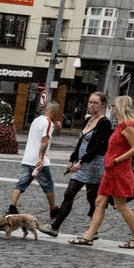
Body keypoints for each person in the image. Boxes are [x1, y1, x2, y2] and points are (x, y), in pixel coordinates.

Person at [75, 95, 134, 248]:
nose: (112, 109)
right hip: (110, 170)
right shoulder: (121, 125)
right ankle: (89, 236)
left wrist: (117, 160)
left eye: (114, 106)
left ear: (120, 107)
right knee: (99, 202)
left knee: (121, 206)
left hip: (119, 171)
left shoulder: (128, 125)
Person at [47, 92, 112, 238]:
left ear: (103, 105)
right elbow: (81, 142)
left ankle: (92, 230)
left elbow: (97, 147)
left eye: (95, 102)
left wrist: (81, 162)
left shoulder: (104, 123)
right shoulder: (88, 120)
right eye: (90, 102)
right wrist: (73, 158)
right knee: (69, 193)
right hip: (81, 161)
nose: (92, 105)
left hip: (94, 164)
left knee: (92, 199)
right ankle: (55, 226)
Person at [7, 97, 56, 217]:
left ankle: (12, 207)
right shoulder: (48, 123)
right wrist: (40, 159)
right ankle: (53, 209)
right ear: (54, 111)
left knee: (21, 184)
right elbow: (44, 142)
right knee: (48, 185)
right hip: (39, 160)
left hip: (27, 158)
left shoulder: (36, 120)